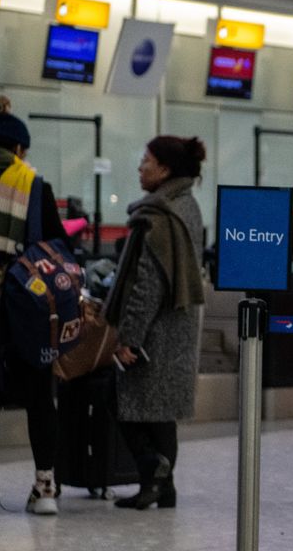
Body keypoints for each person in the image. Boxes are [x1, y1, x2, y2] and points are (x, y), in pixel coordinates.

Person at [108, 136, 207, 510]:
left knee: (118, 399)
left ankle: (153, 471)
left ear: (164, 169)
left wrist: (129, 337)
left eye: (145, 160)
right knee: (160, 414)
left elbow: (147, 283)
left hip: (155, 330)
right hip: (176, 327)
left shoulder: (160, 214)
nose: (139, 167)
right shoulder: (187, 205)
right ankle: (164, 488)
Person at [0, 96, 67, 516]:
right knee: (39, 393)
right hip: (28, 306)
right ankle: (45, 487)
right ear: (18, 149)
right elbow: (55, 249)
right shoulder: (32, 184)